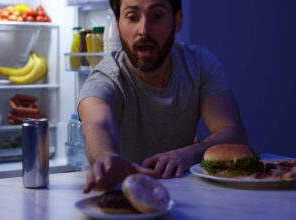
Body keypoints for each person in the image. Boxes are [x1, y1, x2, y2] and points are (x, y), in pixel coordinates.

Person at [78, 0, 247, 193]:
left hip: (183, 195)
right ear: (117, 25)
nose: (144, 30)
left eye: (157, 16)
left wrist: (187, 154)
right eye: (132, 17)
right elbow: (97, 124)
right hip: (121, 194)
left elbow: (233, 132)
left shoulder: (199, 65)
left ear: (177, 20)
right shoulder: (106, 77)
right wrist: (104, 158)